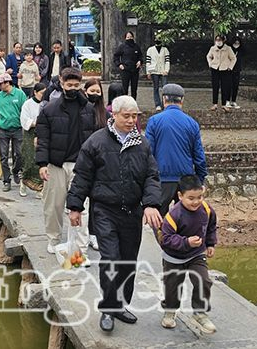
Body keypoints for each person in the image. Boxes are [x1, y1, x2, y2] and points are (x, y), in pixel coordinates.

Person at [67, 94, 162, 333]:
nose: (131, 120)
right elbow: (82, 176)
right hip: (105, 210)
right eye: (126, 116)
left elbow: (151, 176)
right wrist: (75, 207)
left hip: (132, 212)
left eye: (134, 116)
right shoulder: (96, 142)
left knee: (127, 262)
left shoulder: (142, 143)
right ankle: (108, 309)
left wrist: (151, 204)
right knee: (110, 258)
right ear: (114, 115)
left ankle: (119, 304)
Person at [35, 68, 97, 254]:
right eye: (69, 85)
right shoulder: (49, 110)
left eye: (76, 85)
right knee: (53, 205)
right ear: (61, 84)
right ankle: (53, 238)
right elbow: (43, 139)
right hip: (56, 164)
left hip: (81, 165)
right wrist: (42, 164)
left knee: (81, 206)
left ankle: (80, 246)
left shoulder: (89, 109)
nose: (72, 88)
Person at [158, 174, 218, 334]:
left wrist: (210, 243)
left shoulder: (206, 209)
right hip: (173, 257)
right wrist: (186, 242)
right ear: (180, 196)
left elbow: (211, 226)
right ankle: (170, 311)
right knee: (172, 287)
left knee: (204, 280)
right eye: (191, 198)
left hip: (196, 254)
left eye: (199, 197)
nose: (196, 202)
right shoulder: (173, 215)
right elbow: (166, 239)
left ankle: (200, 313)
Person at [145, 84, 207, 216]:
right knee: (186, 218)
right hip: (185, 178)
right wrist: (199, 179)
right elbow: (199, 156)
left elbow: (148, 153)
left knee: (159, 219)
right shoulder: (192, 123)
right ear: (182, 100)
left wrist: (148, 180)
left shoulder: (154, 121)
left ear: (164, 99)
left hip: (162, 178)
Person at [0, 72, 28, 196]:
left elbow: (25, 110)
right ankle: (6, 180)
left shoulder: (20, 94)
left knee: (19, 154)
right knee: (3, 156)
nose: (0, 86)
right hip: (3, 129)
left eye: (1, 84)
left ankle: (16, 170)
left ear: (7, 83)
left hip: (17, 128)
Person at [20, 81, 47, 189]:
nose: (43, 95)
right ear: (35, 92)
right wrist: (36, 123)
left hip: (43, 132)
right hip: (30, 133)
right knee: (29, 159)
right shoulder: (28, 104)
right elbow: (24, 119)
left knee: (40, 158)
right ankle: (25, 181)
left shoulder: (46, 104)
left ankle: (40, 185)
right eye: (41, 93)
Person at [206, 36, 236, 111]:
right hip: (215, 69)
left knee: (224, 87)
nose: (218, 41)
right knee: (215, 86)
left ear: (223, 41)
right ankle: (215, 104)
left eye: (219, 40)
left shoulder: (228, 48)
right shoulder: (213, 48)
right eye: (217, 40)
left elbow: (233, 58)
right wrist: (210, 64)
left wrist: (230, 67)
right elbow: (208, 56)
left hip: (225, 69)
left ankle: (224, 104)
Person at [113, 31, 142, 99]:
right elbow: (116, 56)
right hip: (125, 70)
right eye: (128, 37)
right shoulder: (122, 46)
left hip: (135, 70)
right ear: (125, 38)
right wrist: (119, 64)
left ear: (133, 37)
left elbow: (140, 56)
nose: (129, 38)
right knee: (124, 88)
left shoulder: (136, 46)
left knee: (134, 89)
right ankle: (124, 102)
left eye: (131, 37)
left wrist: (140, 61)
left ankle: (133, 102)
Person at [145, 37, 171, 112]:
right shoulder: (150, 50)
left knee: (165, 88)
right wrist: (148, 72)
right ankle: (157, 104)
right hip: (154, 71)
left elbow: (167, 61)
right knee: (155, 88)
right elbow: (148, 61)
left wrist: (166, 70)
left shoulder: (165, 50)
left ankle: (164, 103)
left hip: (163, 71)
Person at [230, 37, 244, 109]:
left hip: (237, 70)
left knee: (235, 86)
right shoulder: (229, 50)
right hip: (229, 70)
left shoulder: (240, 51)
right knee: (229, 86)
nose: (236, 44)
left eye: (238, 43)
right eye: (235, 43)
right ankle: (227, 101)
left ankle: (233, 100)